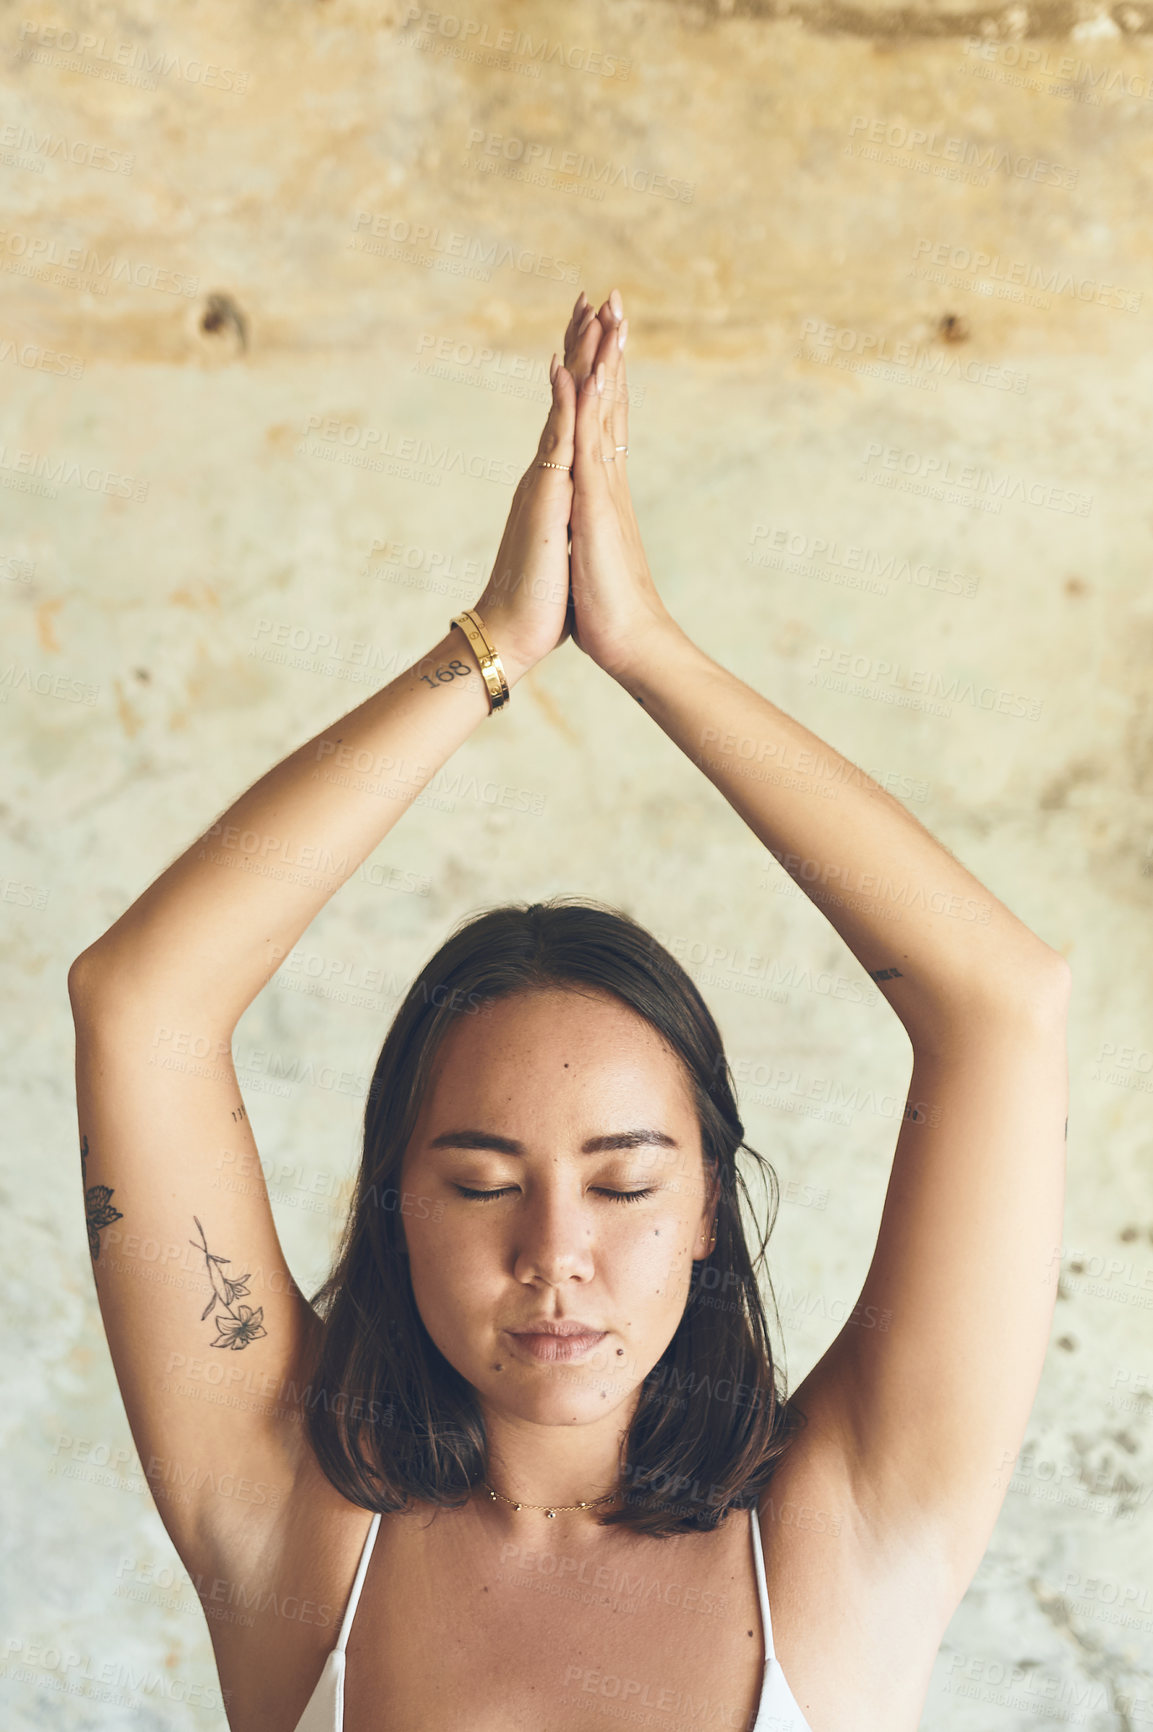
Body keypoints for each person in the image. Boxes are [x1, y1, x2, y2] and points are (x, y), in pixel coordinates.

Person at [68, 288, 1071, 1732]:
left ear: (713, 1207)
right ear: (398, 1201)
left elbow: (1001, 1003)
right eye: (481, 1183)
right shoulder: (290, 1522)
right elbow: (138, 1000)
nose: (557, 1256)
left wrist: (648, 645)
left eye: (623, 1182)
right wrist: (489, 648)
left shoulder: (846, 1533)